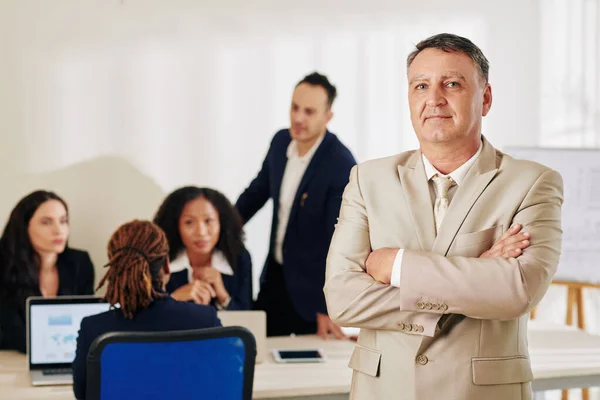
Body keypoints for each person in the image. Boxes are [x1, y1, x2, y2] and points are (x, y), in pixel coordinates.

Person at [324, 33, 563, 400]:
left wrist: (399, 266)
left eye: (451, 83)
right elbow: (342, 299)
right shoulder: (368, 179)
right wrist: (478, 273)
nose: (434, 99)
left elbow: (518, 290)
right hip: (383, 389)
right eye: (421, 85)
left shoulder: (533, 183)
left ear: (485, 98)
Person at [236, 72, 356, 338]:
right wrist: (218, 231)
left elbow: (340, 243)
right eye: (295, 107)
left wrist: (328, 307)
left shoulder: (341, 165)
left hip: (312, 296)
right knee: (259, 356)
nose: (298, 118)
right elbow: (256, 193)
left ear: (328, 117)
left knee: (303, 372)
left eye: (309, 111)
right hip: (274, 279)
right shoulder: (280, 142)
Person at [72, 220, 221, 399]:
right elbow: (222, 383)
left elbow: (83, 394)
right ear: (167, 265)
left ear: (115, 270)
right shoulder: (205, 319)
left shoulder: (94, 328)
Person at [0, 190, 94, 353]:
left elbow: (86, 323)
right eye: (46, 222)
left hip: (66, 359)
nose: (59, 230)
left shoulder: (79, 263)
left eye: (63, 221)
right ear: (24, 227)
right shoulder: (3, 265)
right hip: (11, 361)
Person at [154, 187, 252, 310]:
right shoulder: (159, 260)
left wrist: (223, 296)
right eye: (189, 222)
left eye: (208, 221)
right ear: (176, 225)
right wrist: (173, 299)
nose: (201, 232)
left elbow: (250, 320)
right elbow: (145, 317)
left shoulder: (238, 258)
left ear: (221, 222)